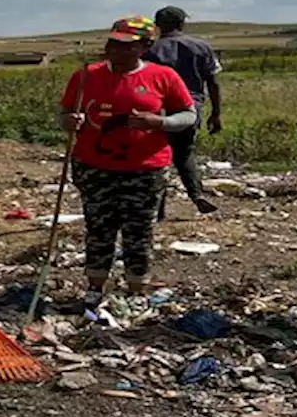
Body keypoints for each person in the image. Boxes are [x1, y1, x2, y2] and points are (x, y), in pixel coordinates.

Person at [60, 16, 197, 300]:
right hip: (94, 166)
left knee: (139, 231)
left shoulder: (163, 76)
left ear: (145, 47)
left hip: (145, 169)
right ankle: (95, 287)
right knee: (99, 228)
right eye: (112, 44)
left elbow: (188, 114)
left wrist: (158, 123)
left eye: (126, 46)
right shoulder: (86, 75)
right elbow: (64, 114)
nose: (116, 51)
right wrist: (70, 121)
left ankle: (137, 288)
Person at [144, 6, 224, 216]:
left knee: (156, 157)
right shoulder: (201, 46)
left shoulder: (150, 50)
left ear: (157, 25)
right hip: (191, 107)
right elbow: (213, 82)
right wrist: (216, 113)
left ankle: (157, 208)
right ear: (182, 23)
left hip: (157, 111)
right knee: (185, 153)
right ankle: (196, 194)